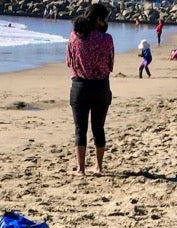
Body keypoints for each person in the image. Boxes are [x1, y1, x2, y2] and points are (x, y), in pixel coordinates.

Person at [66, 3, 114, 175]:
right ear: (99, 20)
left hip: (79, 86)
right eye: (106, 19)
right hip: (101, 87)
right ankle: (99, 167)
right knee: (98, 128)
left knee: (80, 128)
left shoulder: (74, 37)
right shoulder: (107, 39)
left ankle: (80, 168)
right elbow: (111, 64)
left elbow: (69, 62)